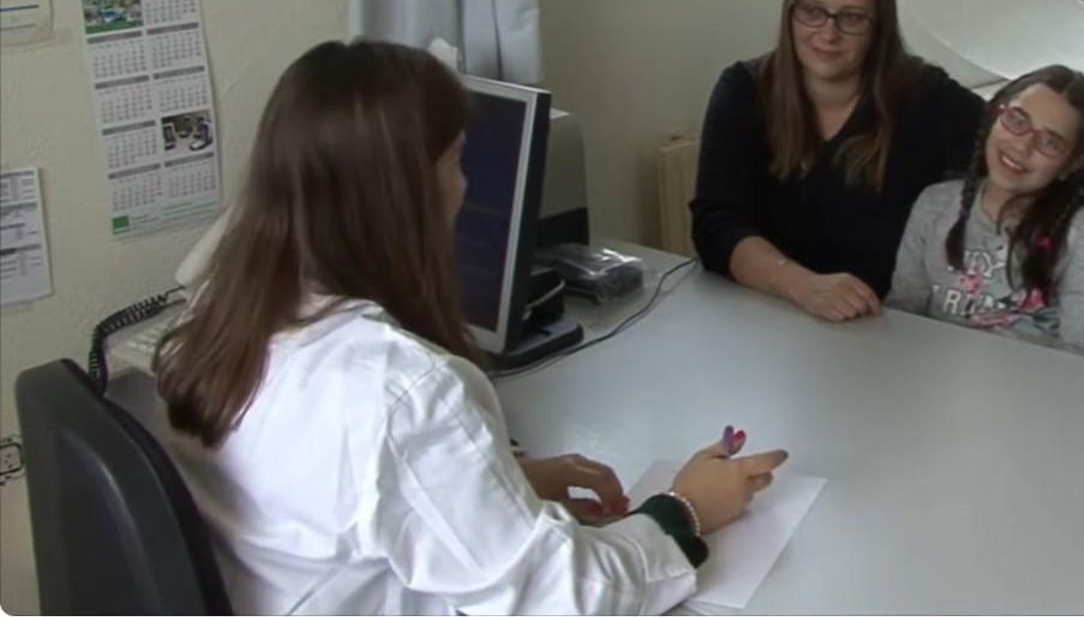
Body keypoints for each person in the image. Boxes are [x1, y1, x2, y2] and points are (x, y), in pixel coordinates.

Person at [154, 40, 787, 615]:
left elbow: (356, 501)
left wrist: (497, 485)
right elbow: (565, 599)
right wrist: (686, 509)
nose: (466, 185)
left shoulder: (219, 313)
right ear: (402, 195)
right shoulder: (400, 391)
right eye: (456, 161)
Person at [691, 0, 1084, 323]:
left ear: (878, 27)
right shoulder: (743, 92)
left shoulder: (922, 96)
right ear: (790, 12)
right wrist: (803, 287)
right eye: (812, 11)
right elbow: (716, 225)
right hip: (765, 314)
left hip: (883, 331)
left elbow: (1030, 149)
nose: (828, 34)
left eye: (851, 18)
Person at [887, 65, 1084, 360]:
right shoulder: (934, 204)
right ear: (994, 116)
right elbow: (903, 314)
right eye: (1017, 120)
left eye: (1050, 142)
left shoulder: (1078, 231)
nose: (1023, 145)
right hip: (935, 378)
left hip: (1033, 393)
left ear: (1073, 164)